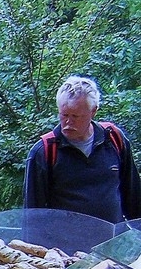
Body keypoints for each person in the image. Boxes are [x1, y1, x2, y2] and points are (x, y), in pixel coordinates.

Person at [24, 75, 141, 223]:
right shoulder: (45, 151)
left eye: (75, 116)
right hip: (63, 244)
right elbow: (33, 217)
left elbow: (134, 198)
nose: (68, 122)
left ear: (93, 111)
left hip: (112, 241)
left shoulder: (114, 139)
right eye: (64, 115)